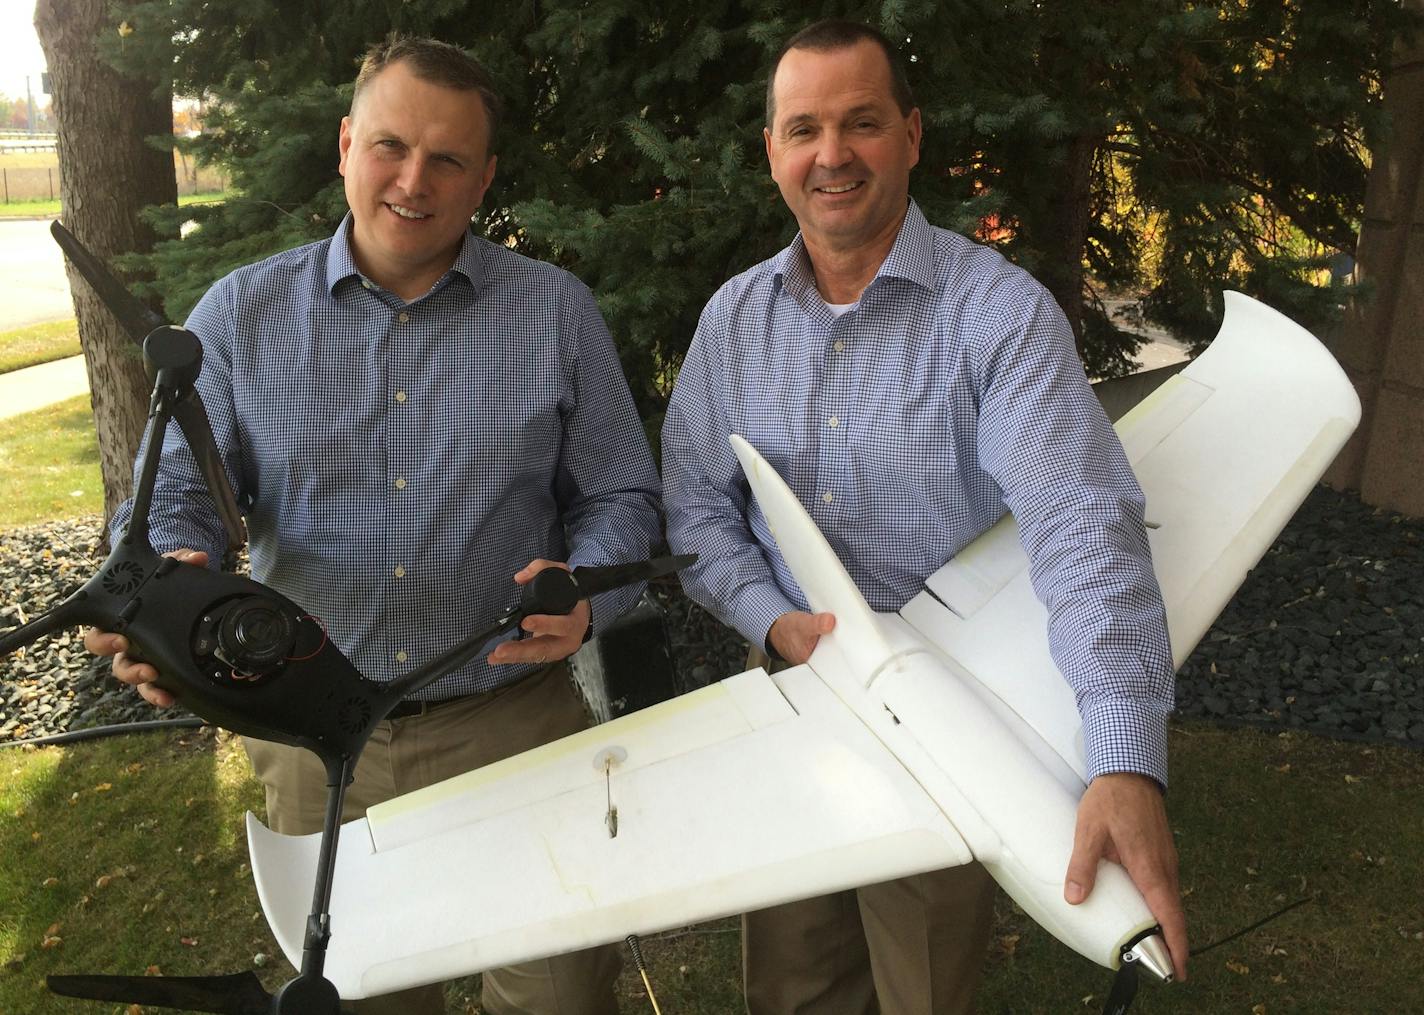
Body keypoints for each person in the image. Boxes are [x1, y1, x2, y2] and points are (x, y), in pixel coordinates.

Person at [84, 35, 660, 1015]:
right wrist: (163, 593)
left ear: (482, 178)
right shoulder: (238, 315)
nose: (411, 179)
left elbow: (620, 499)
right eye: (389, 145)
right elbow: (175, 500)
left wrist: (591, 596)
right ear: (347, 143)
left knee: (560, 995)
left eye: (446, 158)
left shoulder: (553, 313)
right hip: (313, 742)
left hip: (509, 728)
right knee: (357, 997)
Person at [662, 19, 1187, 1015]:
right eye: (802, 128)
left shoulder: (995, 315)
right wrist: (764, 615)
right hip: (795, 694)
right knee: (789, 984)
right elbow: (692, 504)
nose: (830, 154)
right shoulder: (731, 320)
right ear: (771, 151)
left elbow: (1079, 522)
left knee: (923, 989)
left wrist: (1119, 759)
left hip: (944, 709)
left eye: (860, 123)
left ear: (910, 134)